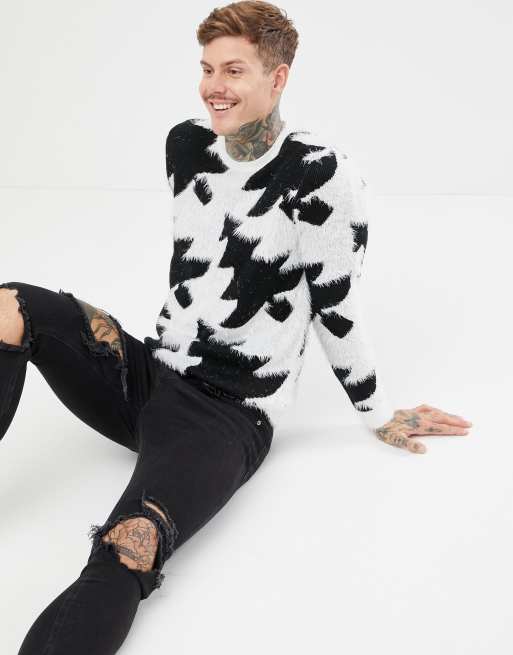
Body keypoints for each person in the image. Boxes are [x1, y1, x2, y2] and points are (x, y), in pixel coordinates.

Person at [1, 2, 472, 653]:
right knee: (11, 305)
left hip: (225, 418)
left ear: (278, 78)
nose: (213, 86)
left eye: (234, 70)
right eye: (206, 68)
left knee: (126, 549)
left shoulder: (321, 176)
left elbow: (335, 306)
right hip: (147, 374)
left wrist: (378, 413)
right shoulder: (186, 145)